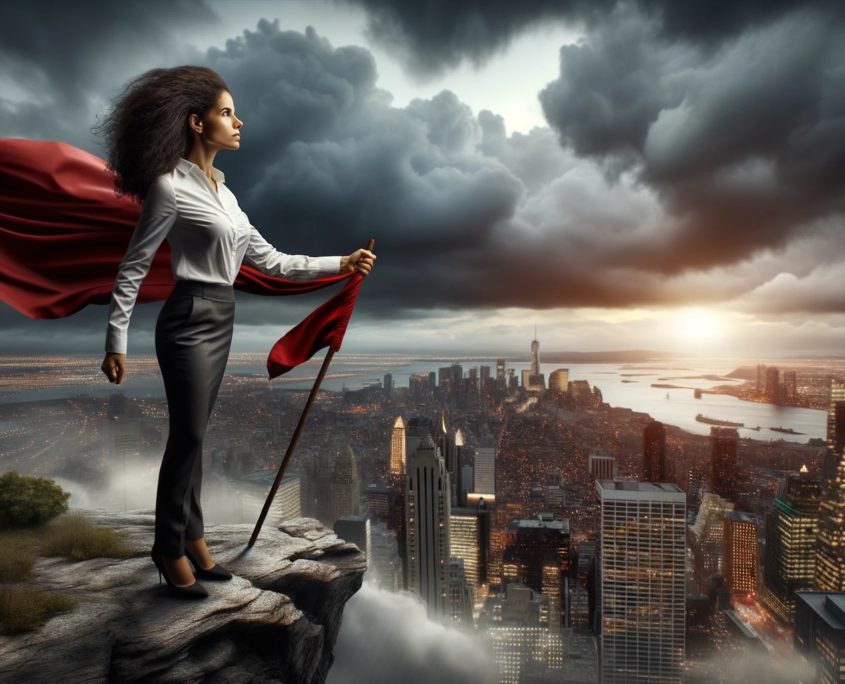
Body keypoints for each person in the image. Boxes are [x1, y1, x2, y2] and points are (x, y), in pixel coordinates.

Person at [95, 66, 375, 599]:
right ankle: (167, 546)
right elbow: (133, 266)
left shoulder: (228, 195)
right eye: (227, 113)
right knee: (189, 436)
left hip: (221, 317)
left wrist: (341, 261)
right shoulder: (168, 187)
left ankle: (195, 538)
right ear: (198, 124)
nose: (238, 121)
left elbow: (274, 260)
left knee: (196, 434)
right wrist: (115, 341)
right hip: (186, 316)